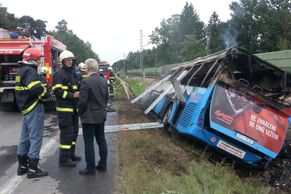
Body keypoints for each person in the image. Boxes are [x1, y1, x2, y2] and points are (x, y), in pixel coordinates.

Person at [15, 48, 50, 178]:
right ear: (33, 59)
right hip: (34, 107)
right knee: (36, 138)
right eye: (39, 59)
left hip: (25, 108)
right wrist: (46, 95)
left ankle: (22, 167)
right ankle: (33, 169)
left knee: (24, 138)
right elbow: (35, 88)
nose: (40, 61)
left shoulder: (22, 70)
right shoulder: (30, 71)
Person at [78, 58, 109, 175]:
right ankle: (103, 165)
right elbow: (106, 98)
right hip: (100, 116)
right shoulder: (103, 80)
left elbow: (82, 101)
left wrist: (80, 112)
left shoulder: (86, 82)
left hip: (89, 117)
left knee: (89, 143)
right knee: (101, 140)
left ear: (87, 68)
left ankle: (90, 169)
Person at [52, 50, 81, 167]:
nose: (70, 62)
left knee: (74, 133)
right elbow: (57, 91)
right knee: (66, 134)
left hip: (74, 109)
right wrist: (72, 95)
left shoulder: (73, 73)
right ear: (62, 62)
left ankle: (71, 155)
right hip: (64, 110)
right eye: (67, 60)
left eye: (71, 60)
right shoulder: (59, 74)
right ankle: (64, 159)